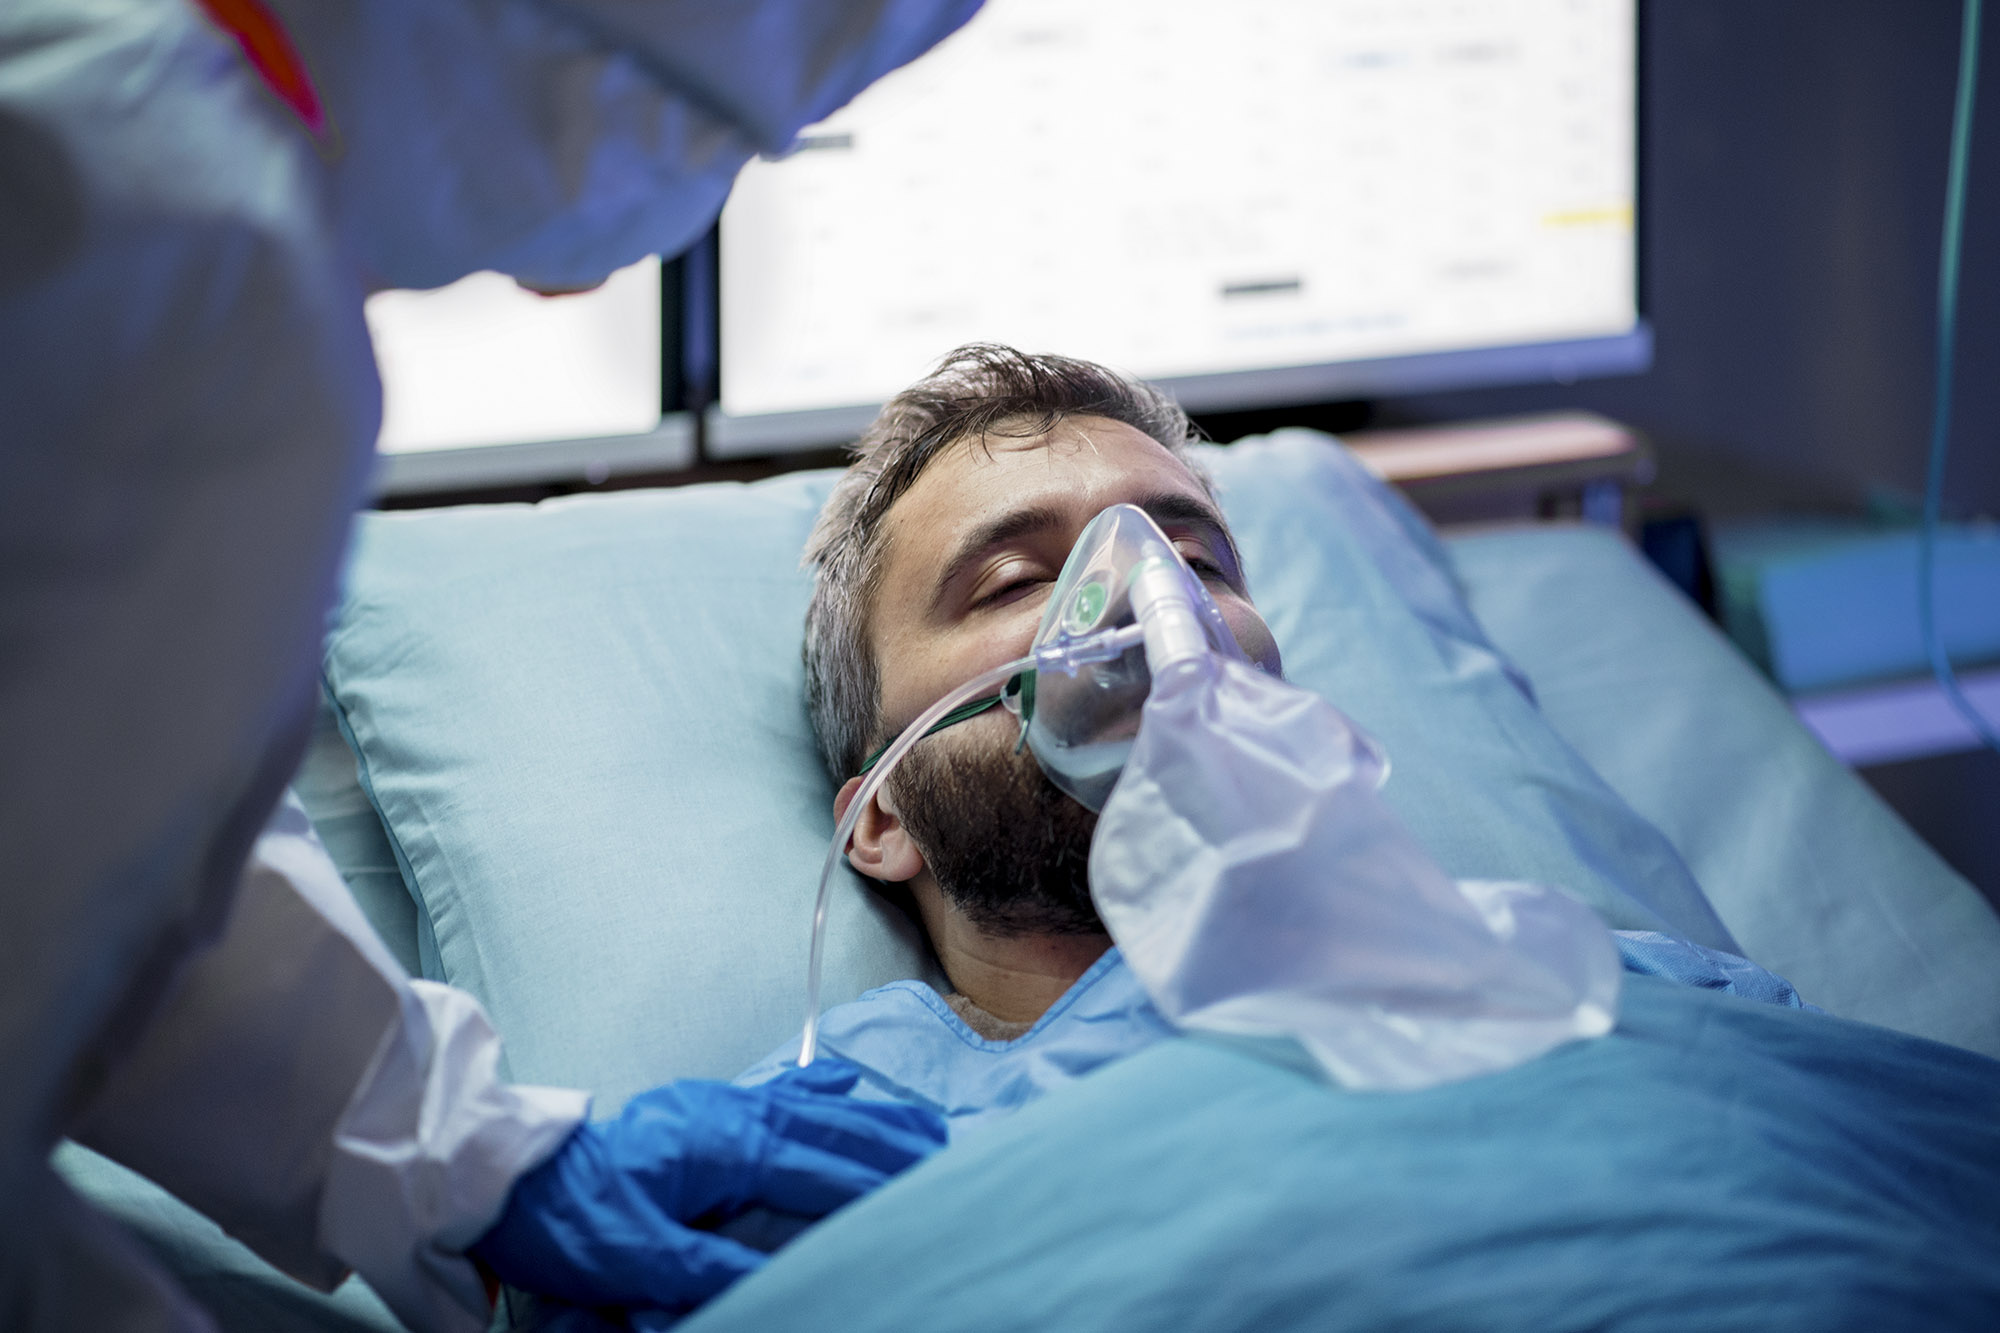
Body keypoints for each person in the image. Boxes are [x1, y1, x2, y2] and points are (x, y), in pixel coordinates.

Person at [0, 1, 981, 1329]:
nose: (579, 282)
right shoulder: (182, 283)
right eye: (702, 141)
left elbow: (90, 818)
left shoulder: (118, 154)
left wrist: (454, 1155)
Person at [736, 344, 1807, 1133]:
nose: (1144, 600)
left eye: (1196, 564)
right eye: (1013, 580)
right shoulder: (832, 1138)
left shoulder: (1633, 993)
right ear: (881, 815)